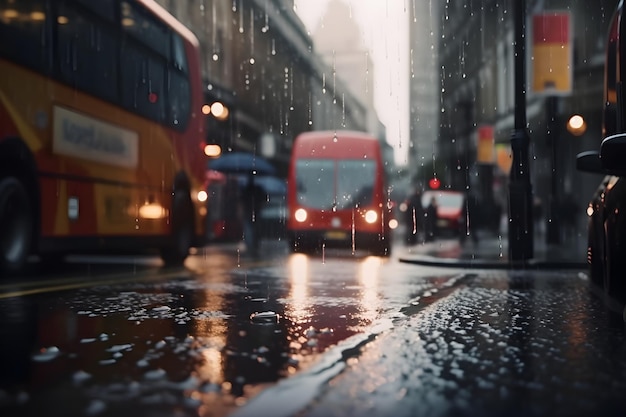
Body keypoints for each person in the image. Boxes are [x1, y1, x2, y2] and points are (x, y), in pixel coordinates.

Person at [240, 172, 266, 256]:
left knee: (250, 228)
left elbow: (242, 201)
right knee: (254, 228)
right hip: (255, 211)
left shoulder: (247, 189)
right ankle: (254, 244)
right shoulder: (257, 189)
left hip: (250, 211)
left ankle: (251, 244)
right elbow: (264, 199)